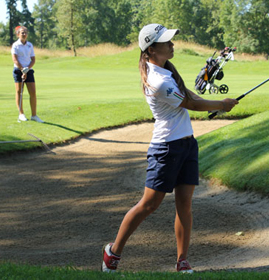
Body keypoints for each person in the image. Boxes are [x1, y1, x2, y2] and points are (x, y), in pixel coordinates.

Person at [101, 23, 239, 274]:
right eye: (166, 41)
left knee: (184, 204)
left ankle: (182, 260)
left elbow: (190, 96)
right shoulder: (157, 80)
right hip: (166, 148)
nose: (172, 44)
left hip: (187, 143)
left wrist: (217, 106)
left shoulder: (168, 72)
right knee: (148, 205)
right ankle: (113, 252)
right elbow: (188, 104)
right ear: (152, 49)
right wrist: (221, 103)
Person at [11, 26, 44, 123]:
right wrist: (22, 70)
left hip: (28, 70)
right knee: (19, 92)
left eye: (25, 32)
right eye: (22, 33)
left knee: (33, 92)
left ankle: (34, 115)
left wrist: (27, 69)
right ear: (18, 34)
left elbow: (33, 59)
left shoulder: (30, 45)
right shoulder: (15, 45)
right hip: (18, 70)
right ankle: (21, 114)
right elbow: (15, 60)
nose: (24, 34)